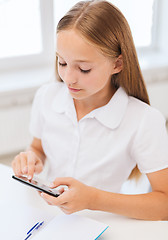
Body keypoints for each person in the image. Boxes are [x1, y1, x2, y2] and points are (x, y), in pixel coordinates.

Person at [12, 0, 168, 220]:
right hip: (47, 217)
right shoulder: (47, 97)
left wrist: (93, 199)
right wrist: (31, 157)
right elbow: (38, 147)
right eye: (62, 62)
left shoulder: (143, 120)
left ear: (117, 64)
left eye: (84, 69)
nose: (68, 78)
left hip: (104, 223)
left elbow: (165, 203)